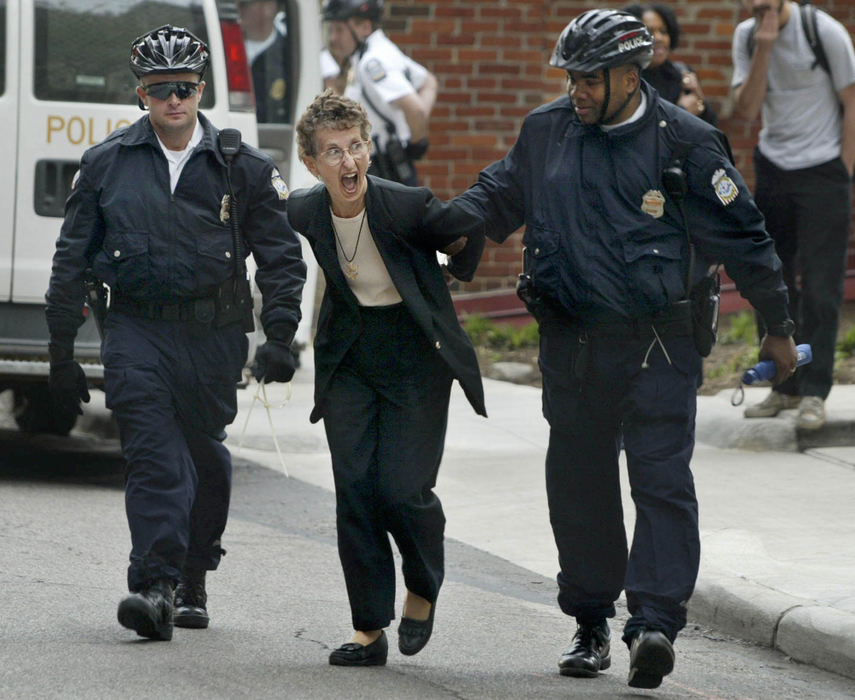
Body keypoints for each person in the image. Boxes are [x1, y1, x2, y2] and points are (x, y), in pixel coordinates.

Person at [454, 10, 797, 689]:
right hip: (572, 344)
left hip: (659, 346)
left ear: (628, 75)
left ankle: (654, 625)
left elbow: (746, 239)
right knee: (578, 486)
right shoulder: (546, 131)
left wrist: (778, 328)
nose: (575, 91)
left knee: (660, 480)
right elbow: (494, 197)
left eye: (588, 79)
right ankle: (589, 621)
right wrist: (435, 232)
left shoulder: (687, 145)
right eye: (571, 78)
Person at [44, 25, 306, 641]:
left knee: (204, 455)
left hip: (213, 333)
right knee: (153, 453)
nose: (174, 101)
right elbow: (71, 260)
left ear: (201, 89)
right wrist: (61, 351)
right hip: (136, 327)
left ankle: (194, 574)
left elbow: (280, 256)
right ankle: (154, 586)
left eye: (184, 88)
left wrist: (280, 334)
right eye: (160, 89)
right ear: (141, 93)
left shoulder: (241, 166)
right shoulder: (107, 163)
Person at [289, 89, 486, 666]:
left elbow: (469, 223)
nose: (348, 163)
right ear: (311, 164)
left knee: (402, 489)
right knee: (355, 490)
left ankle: (422, 584)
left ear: (370, 149)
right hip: (351, 355)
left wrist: (455, 271)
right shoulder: (305, 209)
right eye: (333, 152)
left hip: (414, 355)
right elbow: (261, 211)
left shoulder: (405, 206)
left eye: (356, 147)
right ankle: (368, 628)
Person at [734, 0, 855, 430]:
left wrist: (844, 170)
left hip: (824, 172)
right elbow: (747, 109)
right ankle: (783, 387)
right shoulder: (746, 36)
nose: (755, 5)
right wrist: (764, 48)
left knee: (822, 288)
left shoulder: (824, 32)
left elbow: (851, 100)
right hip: (774, 169)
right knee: (771, 283)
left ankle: (814, 392)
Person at [321, 0, 438, 186]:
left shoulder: (372, 62)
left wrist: (416, 140)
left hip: (385, 169)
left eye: (339, 30)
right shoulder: (379, 51)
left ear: (365, 27)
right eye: (331, 30)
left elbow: (416, 109)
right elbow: (429, 82)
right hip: (383, 165)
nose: (333, 38)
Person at [624, 2, 717, 125]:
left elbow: (710, 127)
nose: (659, 38)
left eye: (663, 31)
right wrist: (683, 112)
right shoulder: (627, 80)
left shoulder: (680, 73)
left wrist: (700, 99)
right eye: (649, 32)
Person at [239, 0, 291, 123]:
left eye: (245, 4)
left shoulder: (288, 54)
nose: (238, 9)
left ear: (269, 6)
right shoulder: (224, 45)